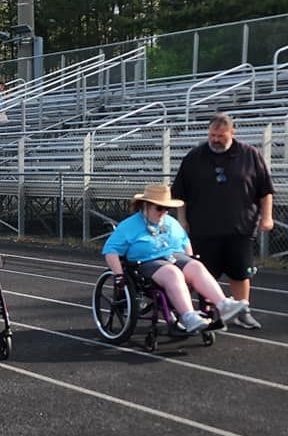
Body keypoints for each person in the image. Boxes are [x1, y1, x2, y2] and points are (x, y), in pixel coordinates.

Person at [172, 112, 274, 330]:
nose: (215, 139)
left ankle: (242, 312)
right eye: (212, 135)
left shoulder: (250, 155)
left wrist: (267, 217)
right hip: (203, 228)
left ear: (232, 133)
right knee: (204, 274)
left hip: (240, 227)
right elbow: (181, 193)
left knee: (240, 272)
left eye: (220, 135)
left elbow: (265, 190)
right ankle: (209, 314)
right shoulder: (194, 157)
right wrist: (182, 221)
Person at [102, 183, 249, 333]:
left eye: (167, 208)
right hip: (147, 262)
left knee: (196, 266)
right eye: (159, 208)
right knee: (173, 273)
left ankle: (223, 304)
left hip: (174, 256)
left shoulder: (171, 223)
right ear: (145, 205)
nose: (163, 212)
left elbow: (185, 243)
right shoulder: (129, 226)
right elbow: (111, 250)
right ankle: (189, 317)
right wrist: (119, 276)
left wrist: (190, 261)